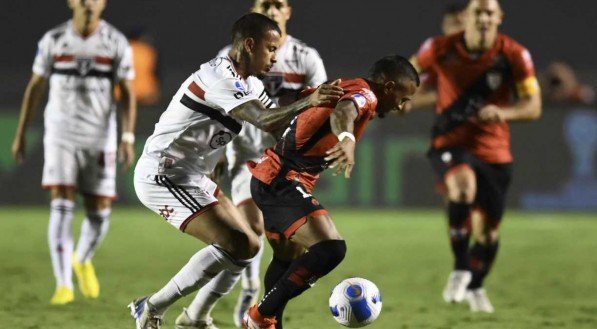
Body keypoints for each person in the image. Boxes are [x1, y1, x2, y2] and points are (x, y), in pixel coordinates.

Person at [128, 13, 343, 329]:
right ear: (249, 45)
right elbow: (262, 119)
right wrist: (309, 101)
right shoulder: (221, 79)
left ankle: (195, 318)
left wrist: (322, 138)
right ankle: (152, 306)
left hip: (192, 176)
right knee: (239, 244)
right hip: (163, 174)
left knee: (248, 245)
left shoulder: (252, 83)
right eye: (270, 49)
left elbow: (278, 125)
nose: (274, 57)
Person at [242, 55, 419, 329]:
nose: (400, 106)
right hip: (282, 180)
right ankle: (259, 316)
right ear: (389, 86)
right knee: (331, 249)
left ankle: (270, 321)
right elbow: (343, 113)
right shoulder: (364, 94)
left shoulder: (351, 86)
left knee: (287, 258)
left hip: (272, 177)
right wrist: (347, 139)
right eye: (403, 98)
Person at [184, 1, 329, 327]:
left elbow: (320, 107)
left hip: (285, 162)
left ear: (289, 11)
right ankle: (249, 294)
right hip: (245, 160)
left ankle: (263, 308)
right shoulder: (233, 55)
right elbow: (217, 108)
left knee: (287, 245)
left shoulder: (306, 57)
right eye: (265, 3)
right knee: (251, 231)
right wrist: (216, 151)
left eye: (279, 4)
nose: (272, 9)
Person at [411, 0, 542, 313]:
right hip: (450, 143)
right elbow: (408, 72)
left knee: (488, 234)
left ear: (499, 18)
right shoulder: (439, 48)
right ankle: (460, 267)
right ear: (465, 17)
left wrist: (504, 111)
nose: (483, 18)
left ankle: (476, 284)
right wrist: (403, 97)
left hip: (494, 151)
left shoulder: (514, 55)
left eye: (489, 13)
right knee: (462, 188)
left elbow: (533, 106)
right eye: (477, 12)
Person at [11, 0, 136, 305]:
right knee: (61, 201)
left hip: (99, 136)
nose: (88, 4)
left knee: (99, 208)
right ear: (71, 3)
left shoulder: (115, 42)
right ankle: (63, 284)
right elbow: (35, 87)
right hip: (60, 134)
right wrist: (21, 133)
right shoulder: (53, 39)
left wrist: (127, 136)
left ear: (103, 4)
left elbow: (129, 93)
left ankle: (82, 259)